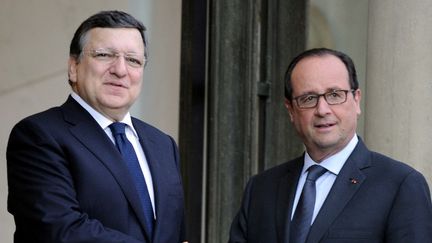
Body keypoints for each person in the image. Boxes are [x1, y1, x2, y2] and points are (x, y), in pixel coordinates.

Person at [7, 10, 186, 243]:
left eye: (133, 60)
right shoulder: (38, 135)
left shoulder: (163, 145)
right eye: (104, 55)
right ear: (73, 67)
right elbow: (59, 231)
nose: (120, 70)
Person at [228, 48, 432, 242]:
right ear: (290, 110)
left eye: (334, 95)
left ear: (356, 100)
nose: (322, 109)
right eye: (309, 98)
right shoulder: (261, 189)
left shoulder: (400, 185)